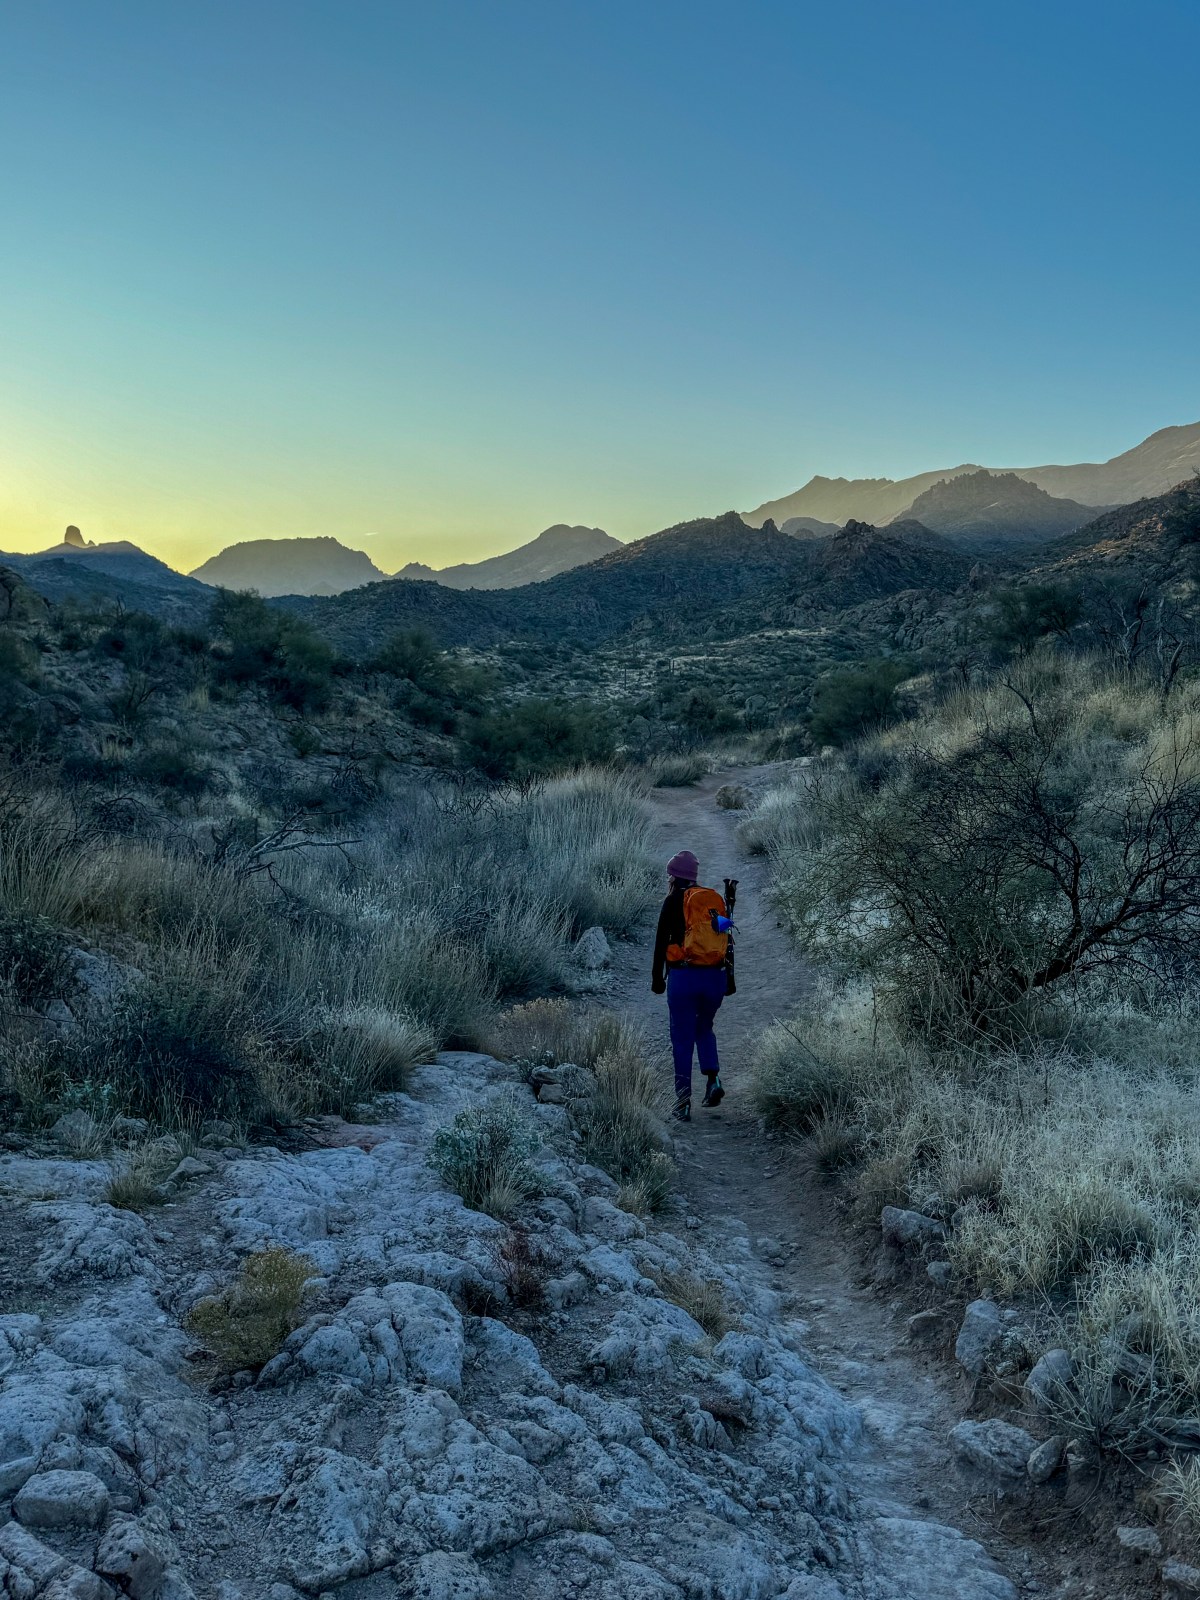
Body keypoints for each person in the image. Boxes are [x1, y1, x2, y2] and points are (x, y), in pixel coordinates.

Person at [651, 848, 732, 1122]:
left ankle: (683, 1101)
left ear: (673, 876)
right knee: (704, 1027)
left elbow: (661, 944)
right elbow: (726, 941)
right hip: (715, 978)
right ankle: (714, 1080)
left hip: (683, 978)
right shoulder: (712, 901)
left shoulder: (672, 901)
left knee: (682, 1039)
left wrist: (657, 980)